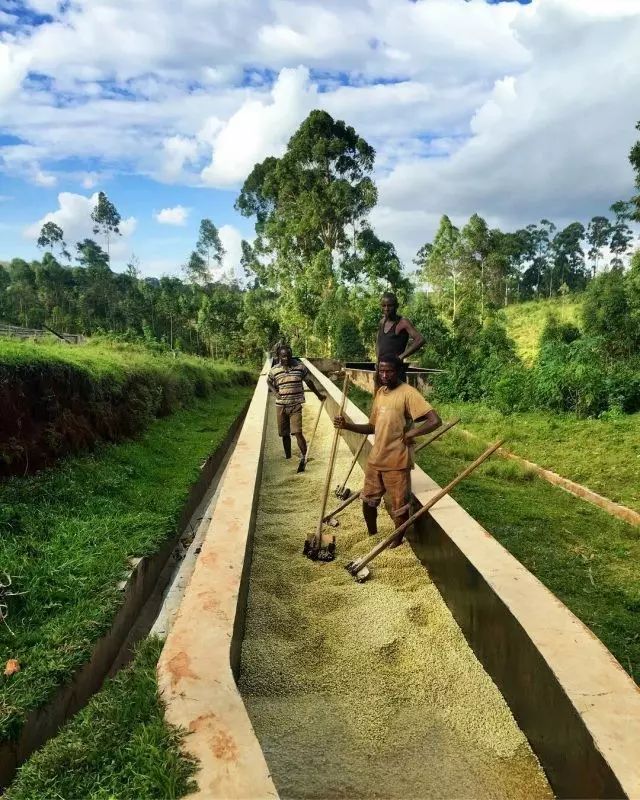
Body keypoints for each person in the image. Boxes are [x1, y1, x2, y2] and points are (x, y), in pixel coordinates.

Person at [334, 354, 441, 547]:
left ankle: (396, 541)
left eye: (389, 371)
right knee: (367, 501)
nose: (384, 375)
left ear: (398, 371)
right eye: (381, 371)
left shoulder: (408, 393)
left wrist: (411, 434)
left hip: (397, 462)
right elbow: (371, 427)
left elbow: (435, 420)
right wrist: (347, 426)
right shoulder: (381, 393)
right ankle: (372, 534)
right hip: (376, 460)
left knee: (399, 507)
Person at [268, 345, 326, 462]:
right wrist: (275, 392)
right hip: (281, 406)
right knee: (284, 434)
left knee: (297, 432)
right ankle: (288, 456)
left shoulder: (300, 367)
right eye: (284, 356)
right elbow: (268, 382)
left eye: (289, 356)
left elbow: (309, 382)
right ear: (279, 357)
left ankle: (304, 457)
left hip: (295, 405)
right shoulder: (274, 370)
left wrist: (319, 395)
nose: (287, 358)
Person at [376, 292, 425, 382]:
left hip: (395, 371)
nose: (386, 309)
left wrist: (401, 357)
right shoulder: (382, 322)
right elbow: (379, 342)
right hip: (382, 371)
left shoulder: (403, 322)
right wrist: (377, 361)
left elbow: (420, 340)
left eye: (390, 306)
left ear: (396, 306)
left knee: (397, 395)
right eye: (384, 306)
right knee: (381, 395)